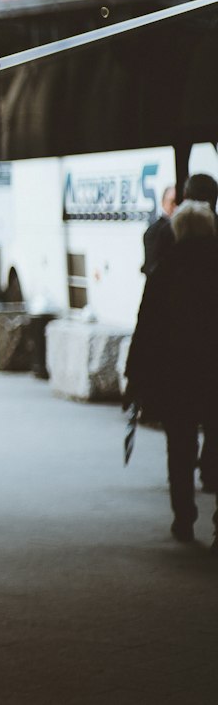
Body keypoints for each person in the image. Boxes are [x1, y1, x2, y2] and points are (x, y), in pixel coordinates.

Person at [125, 173, 218, 545]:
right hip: (213, 372)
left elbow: (145, 326)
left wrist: (135, 377)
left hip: (177, 375)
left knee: (179, 445)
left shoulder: (165, 272)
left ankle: (183, 515)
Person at [143, 183, 178, 275]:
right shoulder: (154, 232)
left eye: (178, 202)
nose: (176, 207)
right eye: (172, 202)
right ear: (163, 203)